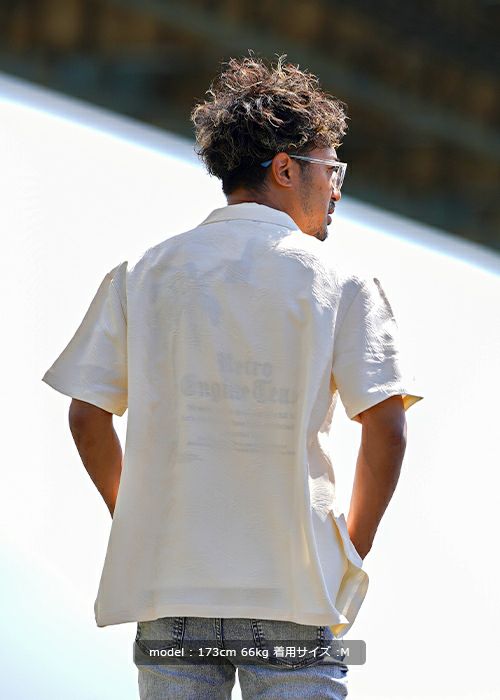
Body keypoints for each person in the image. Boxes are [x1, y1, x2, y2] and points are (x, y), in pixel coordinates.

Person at [42, 53, 423, 699]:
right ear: (285, 169)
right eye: (331, 169)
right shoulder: (342, 283)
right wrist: (349, 550)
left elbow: (87, 415)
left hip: (171, 582)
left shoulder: (143, 272)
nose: (337, 189)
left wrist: (137, 518)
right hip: (291, 583)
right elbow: (386, 428)